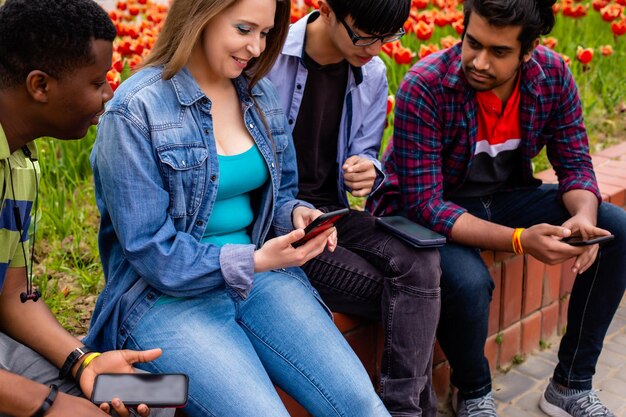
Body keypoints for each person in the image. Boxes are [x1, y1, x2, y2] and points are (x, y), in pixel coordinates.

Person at [84, 0, 392, 416]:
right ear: (201, 16)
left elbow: (280, 195)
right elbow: (152, 252)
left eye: (265, 34)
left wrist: (298, 214)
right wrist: (256, 259)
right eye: (244, 29)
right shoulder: (136, 110)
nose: (256, 47)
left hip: (260, 282)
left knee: (361, 406)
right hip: (164, 298)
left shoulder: (257, 93)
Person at [367, 0, 626, 415]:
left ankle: (571, 385)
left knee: (615, 228)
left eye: (499, 52)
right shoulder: (425, 84)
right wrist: (520, 240)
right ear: (465, 28)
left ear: (528, 51)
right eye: (473, 43)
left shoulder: (551, 75)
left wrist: (583, 217)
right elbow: (426, 204)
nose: (480, 61)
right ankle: (472, 391)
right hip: (428, 211)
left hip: (503, 197)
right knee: (467, 281)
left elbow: (575, 162)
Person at [266, 1, 441, 416]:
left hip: (335, 214)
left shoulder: (373, 74)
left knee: (424, 260)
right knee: (412, 297)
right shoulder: (268, 59)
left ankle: (402, 409)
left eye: (390, 36)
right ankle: (414, 411)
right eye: (365, 35)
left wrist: (369, 170)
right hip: (280, 225)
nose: (377, 48)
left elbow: (366, 153)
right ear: (326, 9)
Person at [0, 1, 174, 416]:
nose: (110, 93)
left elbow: (11, 296)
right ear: (40, 85)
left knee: (149, 402)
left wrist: (85, 362)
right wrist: (48, 406)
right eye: (97, 81)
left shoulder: (19, 159)